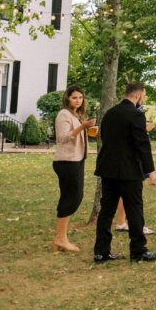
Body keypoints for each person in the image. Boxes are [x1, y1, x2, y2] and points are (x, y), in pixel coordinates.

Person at [93, 82, 156, 263]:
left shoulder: (110, 113)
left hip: (108, 169)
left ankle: (101, 251)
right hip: (129, 170)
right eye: (143, 96)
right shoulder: (136, 115)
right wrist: (151, 171)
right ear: (138, 95)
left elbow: (106, 138)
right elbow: (142, 145)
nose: (143, 99)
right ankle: (138, 251)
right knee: (134, 210)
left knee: (106, 211)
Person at [51, 85, 96, 253]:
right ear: (67, 99)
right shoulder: (63, 114)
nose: (78, 100)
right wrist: (82, 127)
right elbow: (62, 138)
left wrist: (87, 129)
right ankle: (60, 238)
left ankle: (61, 237)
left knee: (75, 196)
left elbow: (76, 135)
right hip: (66, 161)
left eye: (80, 98)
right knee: (70, 198)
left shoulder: (75, 115)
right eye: (74, 98)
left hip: (77, 160)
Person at [114, 117, 155, 236]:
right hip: (131, 158)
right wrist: (144, 130)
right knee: (132, 194)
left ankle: (121, 222)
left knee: (126, 192)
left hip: (130, 157)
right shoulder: (131, 112)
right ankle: (134, 226)